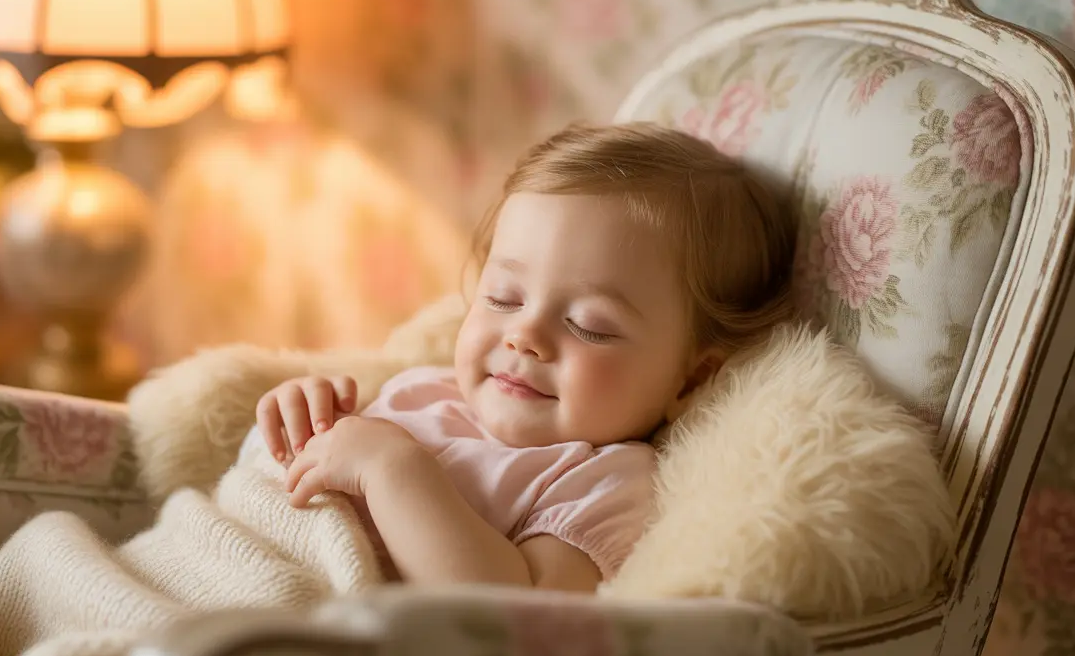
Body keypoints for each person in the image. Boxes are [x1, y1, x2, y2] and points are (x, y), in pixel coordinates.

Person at [250, 122, 797, 592]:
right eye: (503, 298)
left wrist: (393, 468)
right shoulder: (423, 388)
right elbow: (301, 477)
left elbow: (517, 618)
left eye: (589, 326)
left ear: (691, 379)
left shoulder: (604, 480)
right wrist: (304, 416)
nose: (524, 335)